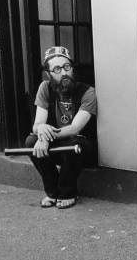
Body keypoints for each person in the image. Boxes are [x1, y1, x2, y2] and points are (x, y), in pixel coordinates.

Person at [25, 46, 97, 209]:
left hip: (80, 147)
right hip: (57, 144)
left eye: (67, 67)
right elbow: (37, 124)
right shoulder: (45, 88)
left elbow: (75, 128)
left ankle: (67, 192)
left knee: (73, 145)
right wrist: (41, 134)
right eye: (57, 69)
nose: (64, 73)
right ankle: (52, 192)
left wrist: (45, 137)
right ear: (48, 74)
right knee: (31, 142)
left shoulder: (88, 92)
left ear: (72, 68)